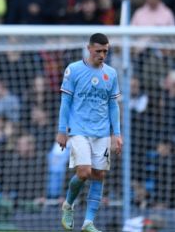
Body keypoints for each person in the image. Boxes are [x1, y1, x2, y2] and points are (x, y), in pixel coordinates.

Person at [56, 33, 122, 232]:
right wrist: (62, 131)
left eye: (105, 51)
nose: (102, 55)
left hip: (102, 132)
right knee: (84, 172)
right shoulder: (74, 70)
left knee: (98, 174)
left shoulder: (111, 74)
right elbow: (65, 102)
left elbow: (113, 106)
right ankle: (68, 204)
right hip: (78, 131)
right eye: (98, 51)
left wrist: (116, 134)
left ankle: (88, 222)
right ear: (89, 48)